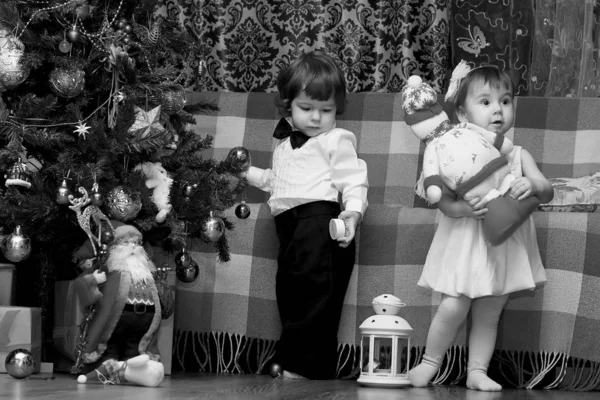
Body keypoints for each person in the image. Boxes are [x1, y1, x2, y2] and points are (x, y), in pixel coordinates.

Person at [406, 62, 554, 391]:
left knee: (491, 309)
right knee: (454, 304)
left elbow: (547, 190)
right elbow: (441, 199)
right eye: (485, 102)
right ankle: (429, 363)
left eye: (505, 100)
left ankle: (477, 371)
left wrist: (532, 186)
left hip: (503, 246)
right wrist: (459, 208)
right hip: (465, 243)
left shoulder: (518, 154)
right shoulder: (456, 151)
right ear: (461, 113)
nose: (498, 109)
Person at [231, 51, 369, 380]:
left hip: (321, 225)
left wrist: (353, 212)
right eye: (306, 108)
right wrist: (245, 172)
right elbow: (274, 182)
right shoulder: (284, 146)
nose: (317, 118)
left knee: (317, 296)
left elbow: (354, 178)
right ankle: (292, 360)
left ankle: (308, 366)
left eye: (326, 110)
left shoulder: (336, 139)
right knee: (290, 293)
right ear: (288, 105)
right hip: (289, 229)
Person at [72, 221, 173, 385]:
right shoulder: (109, 266)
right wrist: (94, 280)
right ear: (114, 246)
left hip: (142, 324)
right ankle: (105, 371)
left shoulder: (149, 270)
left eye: (135, 242)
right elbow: (80, 284)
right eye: (125, 242)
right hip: (114, 322)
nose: (132, 247)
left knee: (136, 354)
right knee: (108, 350)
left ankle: (132, 373)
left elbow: (163, 296)